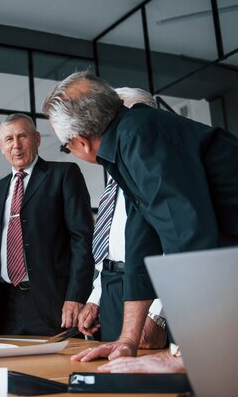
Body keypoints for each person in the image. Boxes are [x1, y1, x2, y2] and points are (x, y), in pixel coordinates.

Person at [42, 71, 238, 365]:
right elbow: (141, 240)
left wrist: (183, 354)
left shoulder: (141, 138)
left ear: (81, 141)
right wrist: (127, 340)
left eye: (66, 147)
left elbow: (188, 241)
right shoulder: (129, 139)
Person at [0, 113, 94, 336]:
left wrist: (76, 296)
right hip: (6, 306)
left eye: (23, 136)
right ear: (1, 146)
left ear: (37, 139)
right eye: (9, 139)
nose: (16, 145)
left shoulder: (64, 175)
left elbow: (83, 240)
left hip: (55, 303)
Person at [77, 87, 166, 348]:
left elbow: (179, 247)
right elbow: (110, 249)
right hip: (112, 287)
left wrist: (158, 314)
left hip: (153, 292)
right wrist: (95, 299)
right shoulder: (115, 178)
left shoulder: (158, 175)